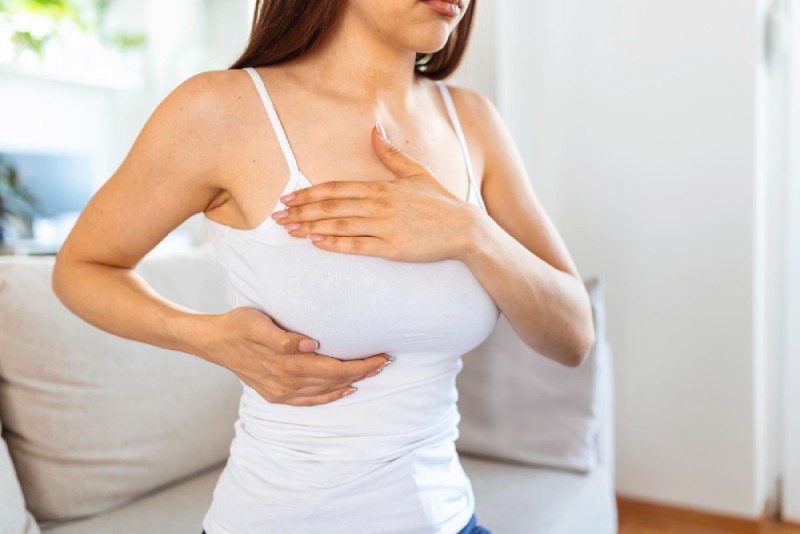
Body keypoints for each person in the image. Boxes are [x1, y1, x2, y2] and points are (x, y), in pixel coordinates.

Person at [52, 0, 596, 532]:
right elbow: (82, 266)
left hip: (454, 520)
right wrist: (207, 338)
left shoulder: (471, 120)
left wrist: (470, 233)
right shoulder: (219, 109)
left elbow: (572, 337)